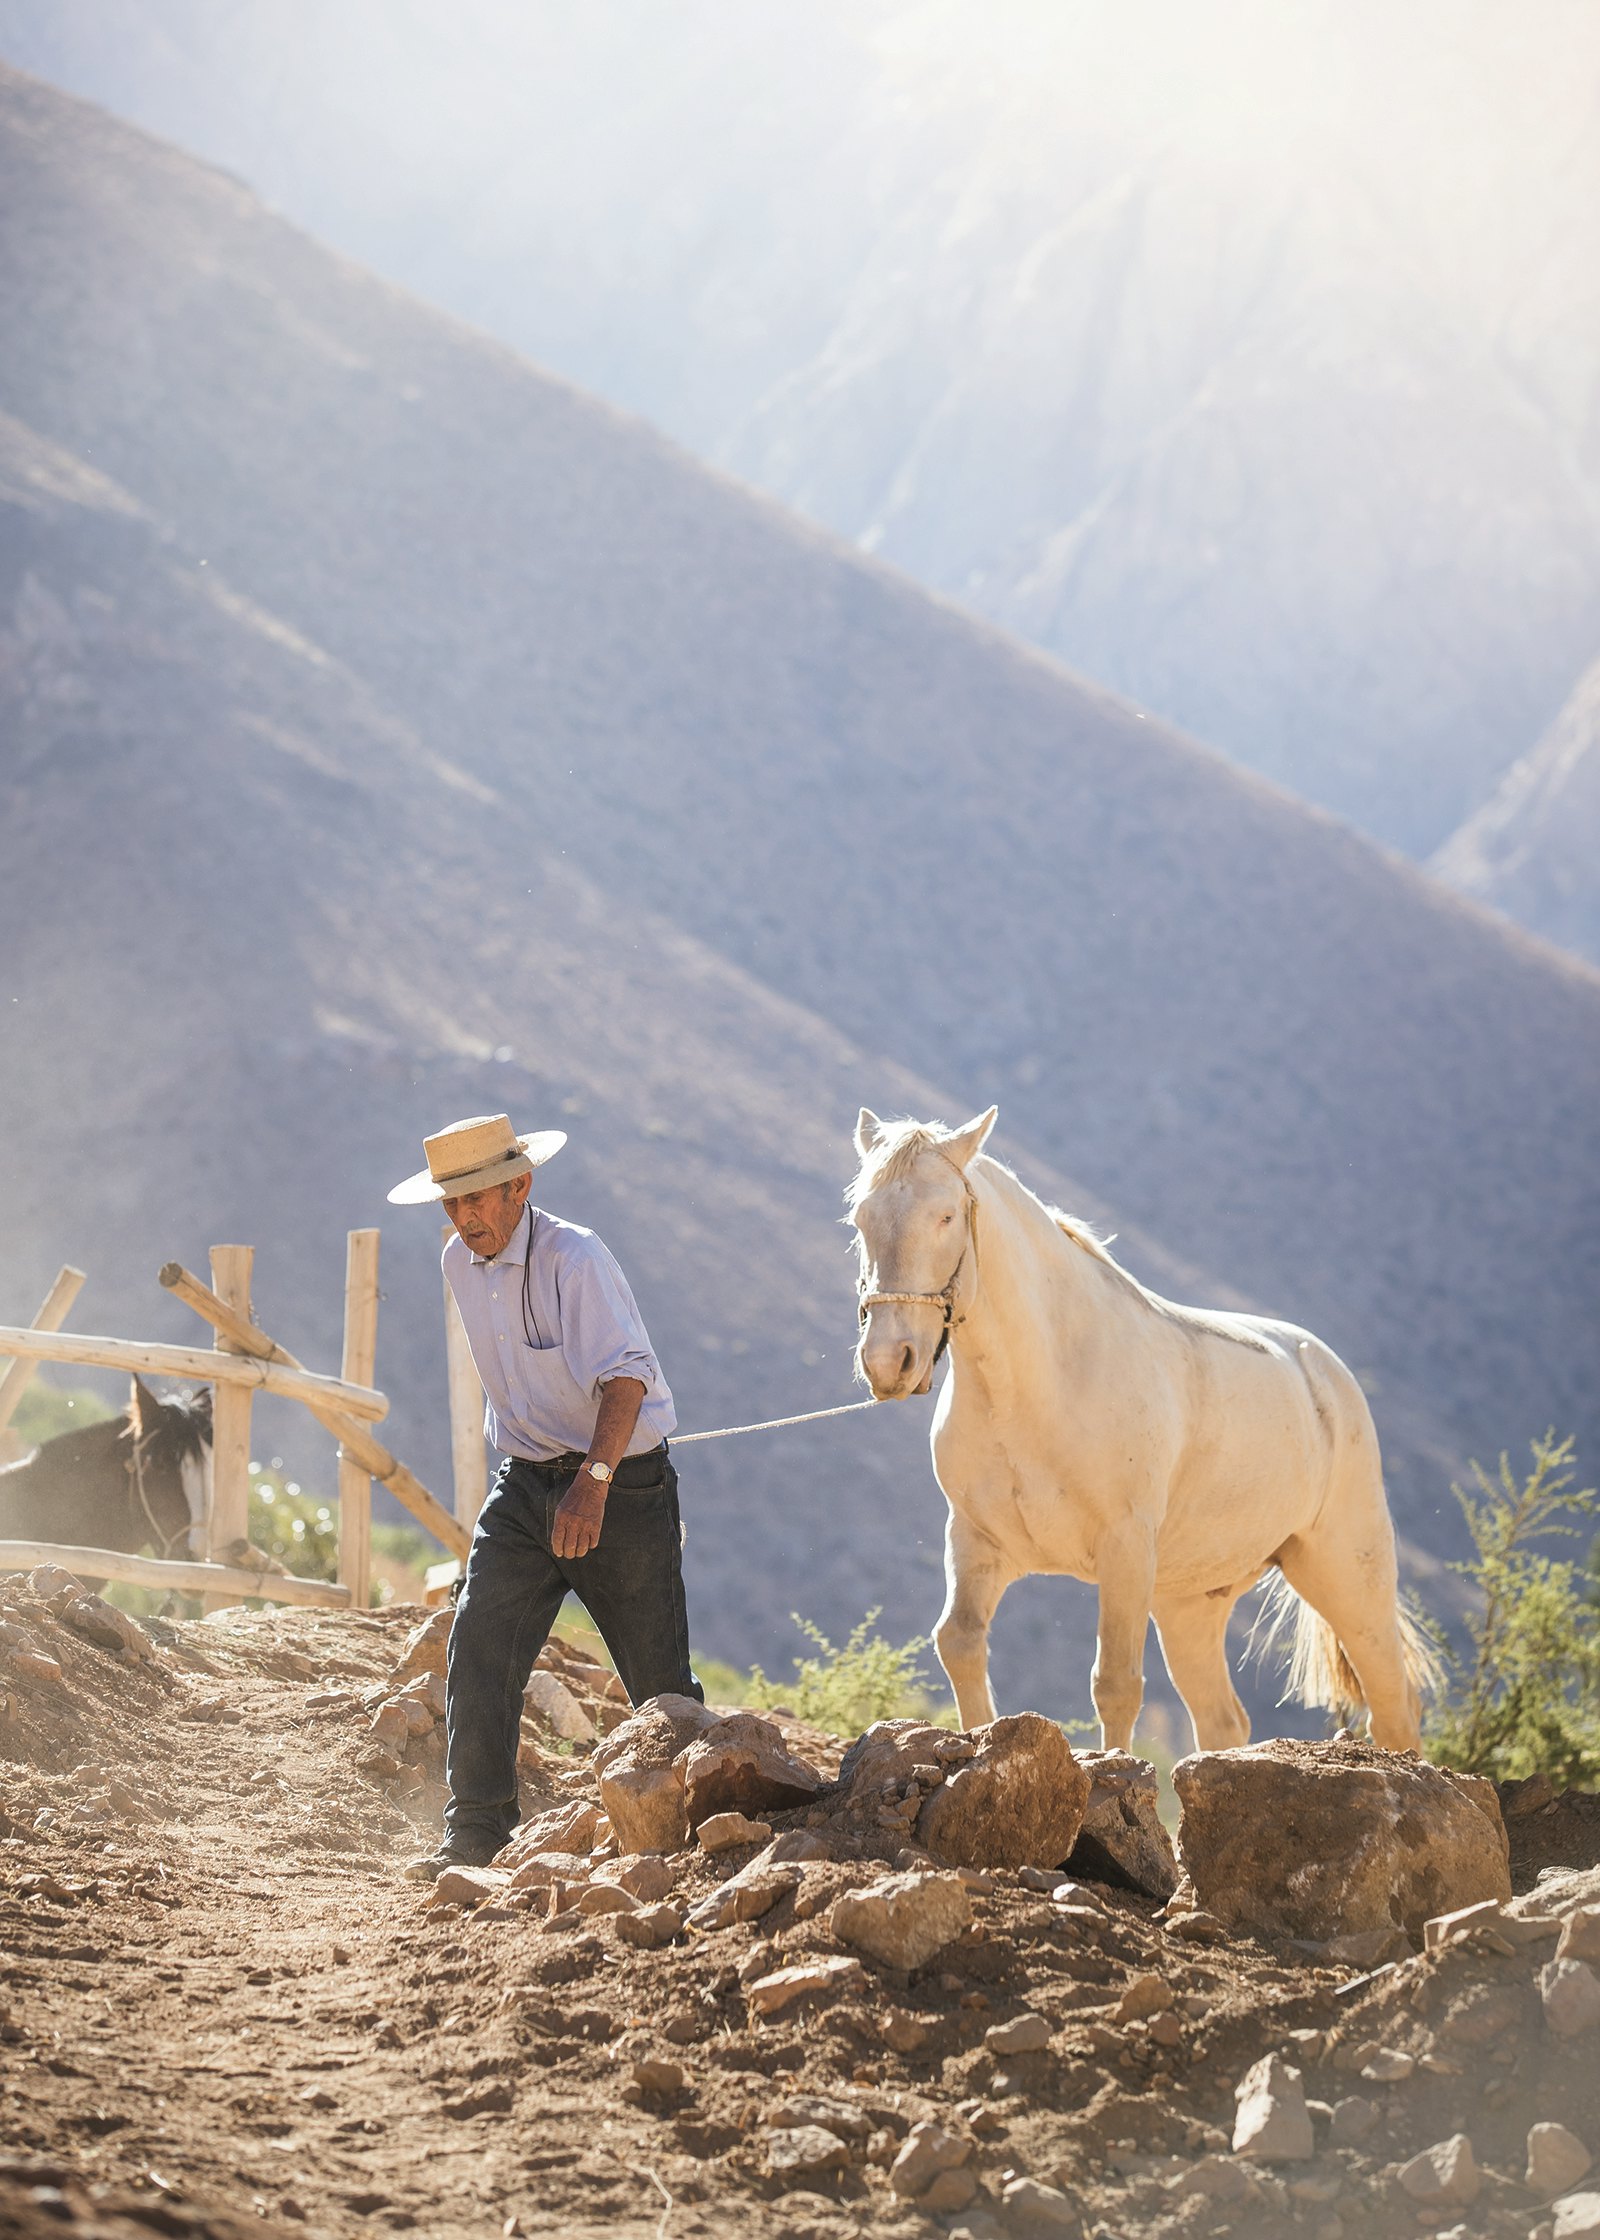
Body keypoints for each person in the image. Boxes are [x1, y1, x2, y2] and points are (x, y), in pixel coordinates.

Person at [387, 1112, 699, 1879]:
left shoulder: (575, 1258)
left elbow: (627, 1379)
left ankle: (698, 1828)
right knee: (480, 1641)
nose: (464, 1216)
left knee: (658, 1682)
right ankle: (476, 1832)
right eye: (451, 1202)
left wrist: (592, 1484)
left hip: (619, 1485)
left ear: (519, 1186)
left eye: (477, 1198)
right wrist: (556, 1484)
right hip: (525, 1480)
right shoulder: (458, 1263)